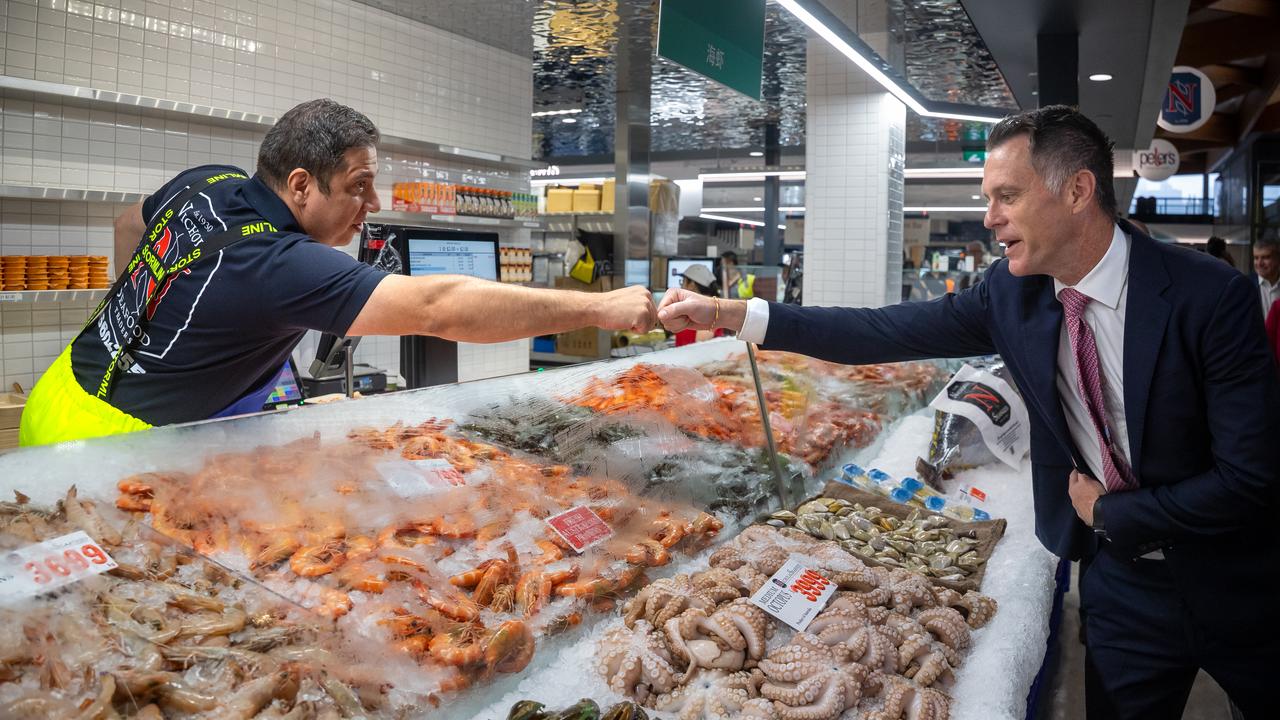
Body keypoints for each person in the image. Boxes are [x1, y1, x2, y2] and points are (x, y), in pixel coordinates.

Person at [659, 105, 1280, 719]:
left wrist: (1115, 511)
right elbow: (879, 332)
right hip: (1122, 586)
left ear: (1078, 191)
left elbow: (1251, 476)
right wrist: (733, 316)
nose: (990, 219)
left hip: (1237, 575)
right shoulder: (1011, 293)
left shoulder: (1208, 295)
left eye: (1006, 196)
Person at [19, 99, 656, 446]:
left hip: (59, 391)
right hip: (111, 446)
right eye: (359, 187)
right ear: (301, 184)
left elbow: (129, 224)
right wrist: (598, 308)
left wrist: (130, 317)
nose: (372, 207)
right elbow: (437, 307)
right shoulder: (283, 265)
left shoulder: (206, 182)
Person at [672, 264, 724, 347]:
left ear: (691, 285)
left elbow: (701, 347)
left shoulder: (706, 309)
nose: (681, 286)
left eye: (683, 282)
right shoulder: (705, 306)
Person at [1252, 237, 1280, 318]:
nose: (1259, 263)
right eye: (1256, 258)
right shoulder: (1246, 285)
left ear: (1278, 258)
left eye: (1265, 257)